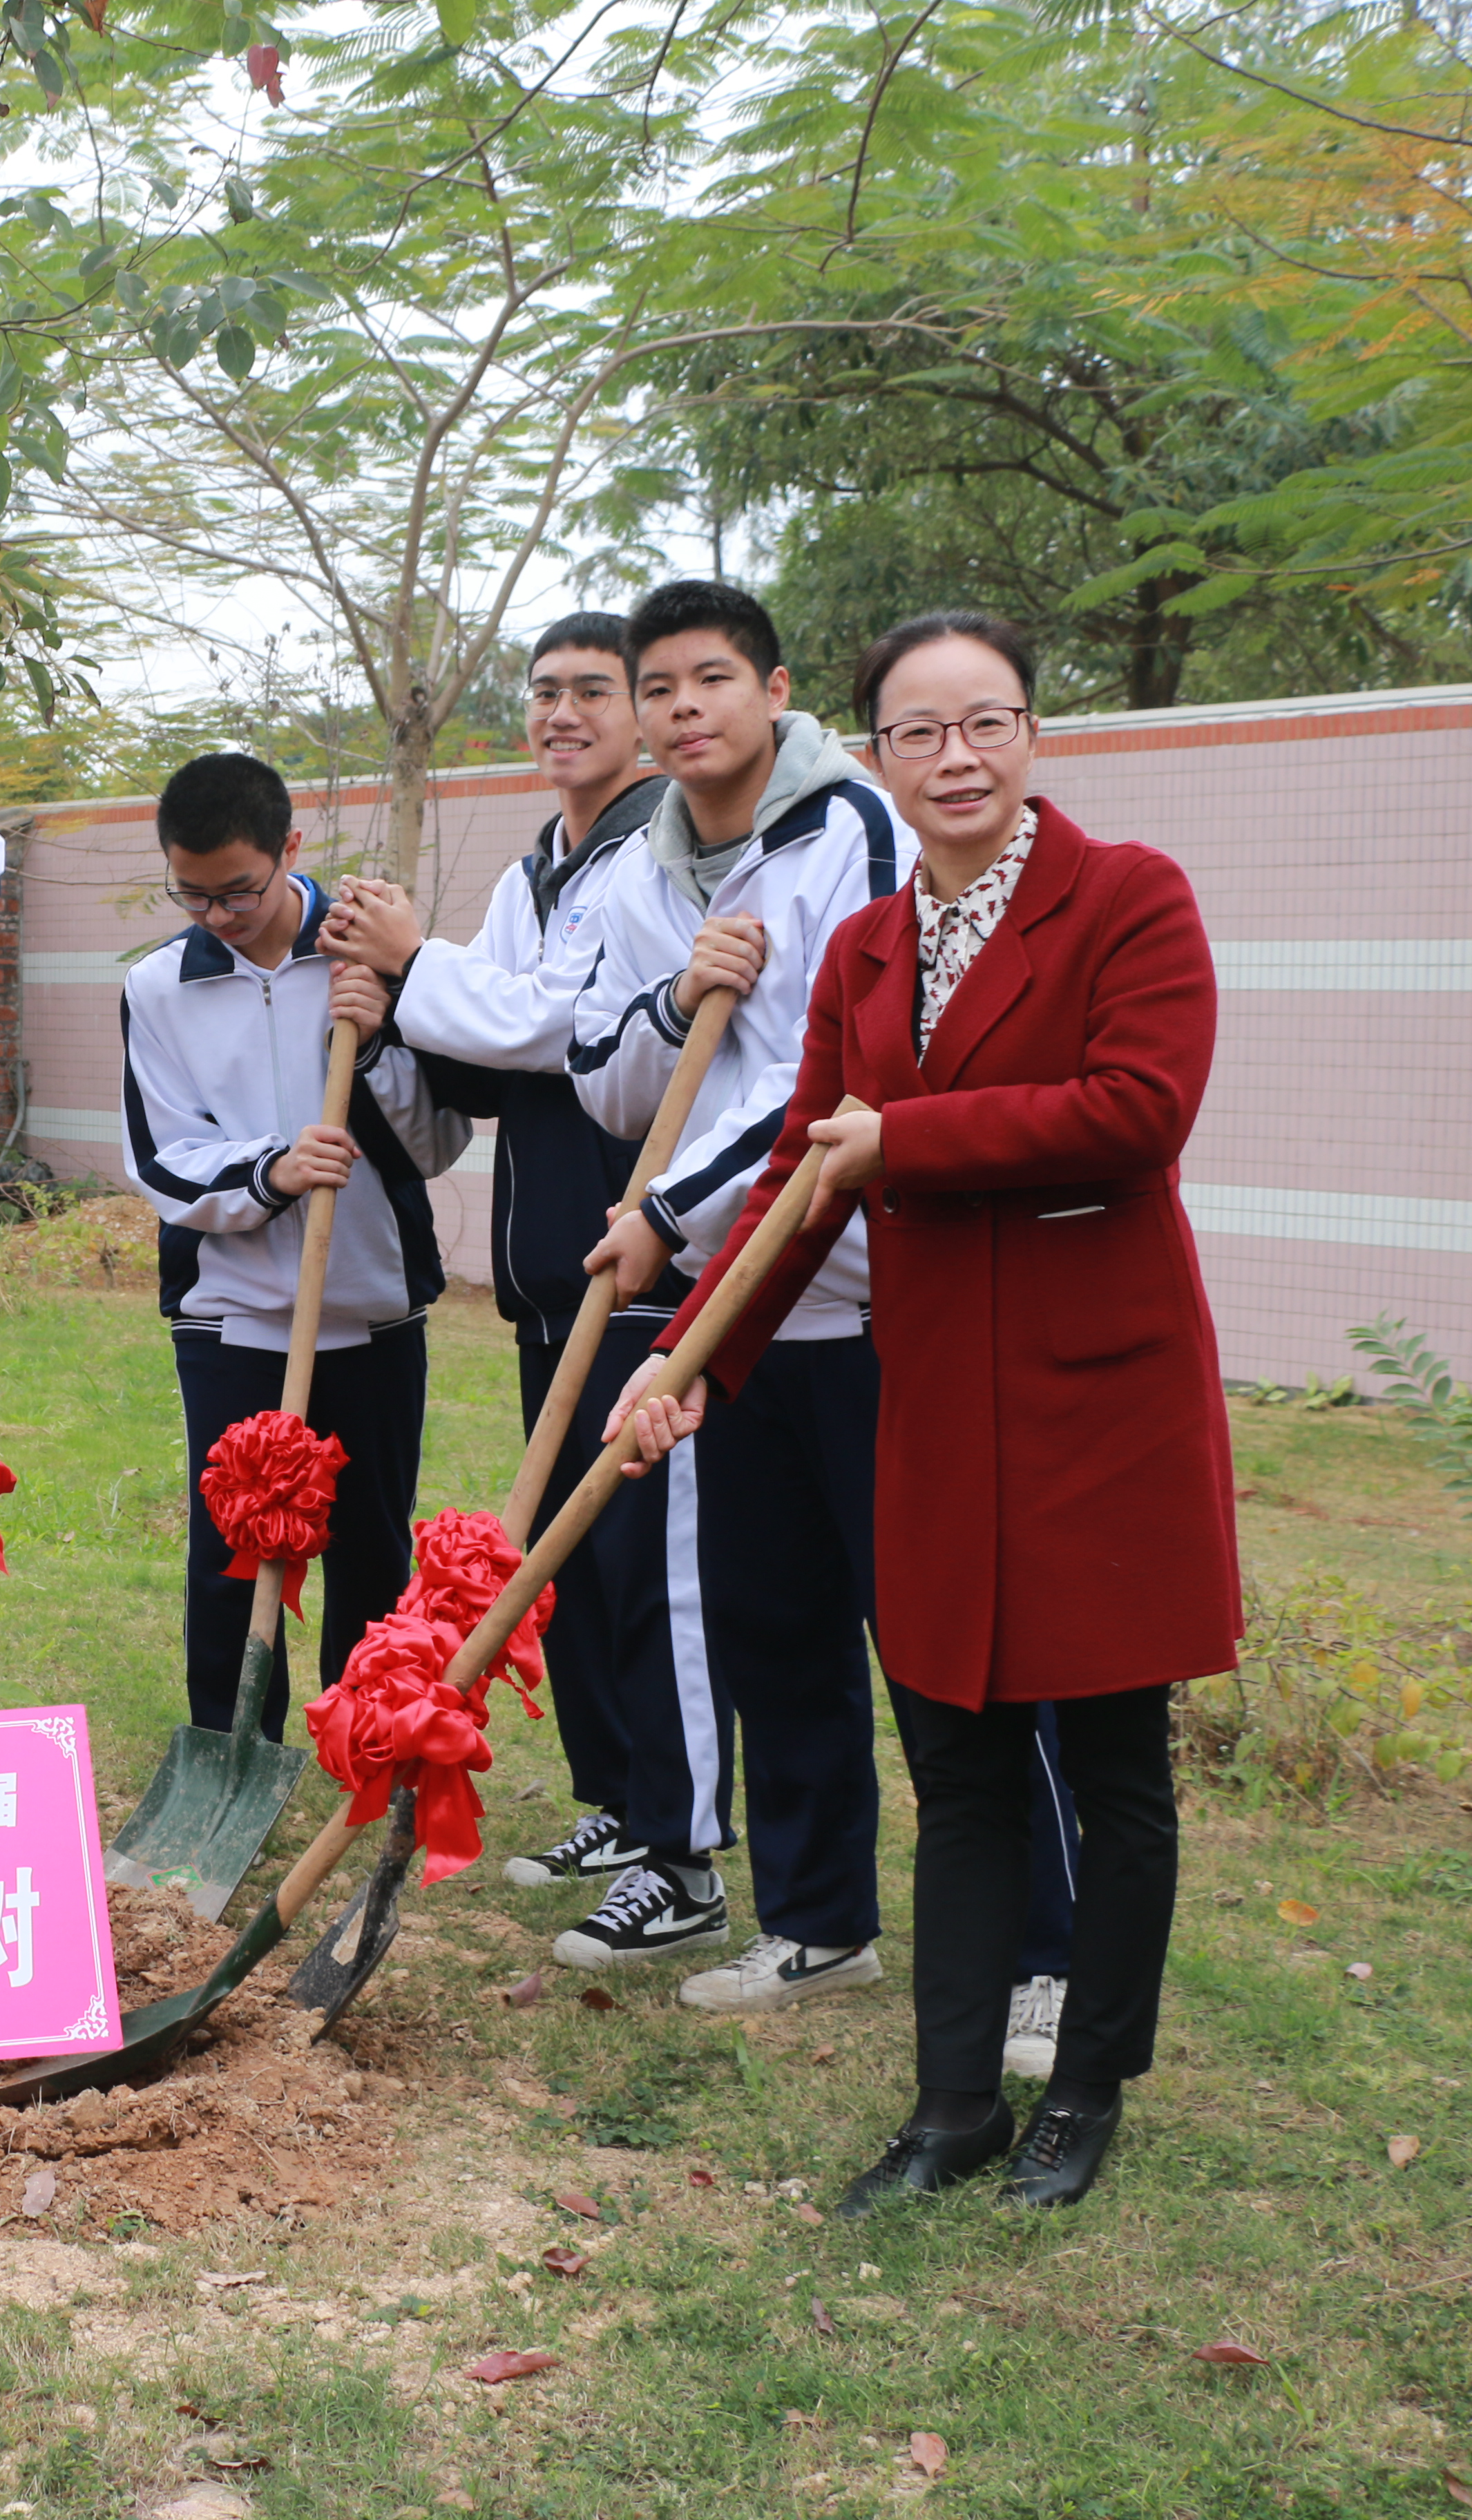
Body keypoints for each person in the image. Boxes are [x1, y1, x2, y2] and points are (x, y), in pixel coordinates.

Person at [612, 609, 1231, 2210]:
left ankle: (1084, 2087)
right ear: (876, 752)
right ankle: (950, 2106)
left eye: (985, 723)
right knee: (951, 1765)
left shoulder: (1127, 897)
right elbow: (795, 1183)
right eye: (919, 732)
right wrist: (682, 1360)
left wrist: (906, 1142)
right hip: (939, 1404)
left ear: (1028, 735)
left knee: (1107, 1765)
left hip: (1100, 1407)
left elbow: (1135, 1111)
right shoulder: (864, 948)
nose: (954, 757)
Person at [556, 580, 904, 2012]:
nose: (682, 708)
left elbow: (837, 1080)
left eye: (712, 680)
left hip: (872, 1288)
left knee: (921, 1630)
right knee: (774, 1618)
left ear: (775, 690)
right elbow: (612, 1083)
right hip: (737, 1304)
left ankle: (1033, 1937)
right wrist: (671, 998)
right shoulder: (643, 865)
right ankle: (821, 1919)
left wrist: (665, 1213)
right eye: (660, 688)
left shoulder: (850, 831)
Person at [321, 613, 662, 1866]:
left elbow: (556, 1024)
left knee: (632, 1561)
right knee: (560, 1561)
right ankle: (614, 1799)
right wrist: (395, 1007)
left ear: (643, 710)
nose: (560, 713)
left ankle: (671, 1824)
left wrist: (419, 965)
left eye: (590, 691)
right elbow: (478, 1049)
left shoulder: (657, 856)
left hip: (632, 1264)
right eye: (544, 693)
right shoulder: (535, 872)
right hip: (540, 1277)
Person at [122, 753, 468, 1736]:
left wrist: (385, 1034)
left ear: (290, 853)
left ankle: (367, 1731)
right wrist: (273, 1172)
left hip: (372, 1305)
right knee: (234, 1540)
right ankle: (231, 1738)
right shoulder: (159, 987)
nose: (217, 916)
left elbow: (437, 1144)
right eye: (191, 894)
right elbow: (160, 1158)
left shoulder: (371, 953)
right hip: (231, 1317)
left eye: (239, 890)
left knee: (368, 1543)